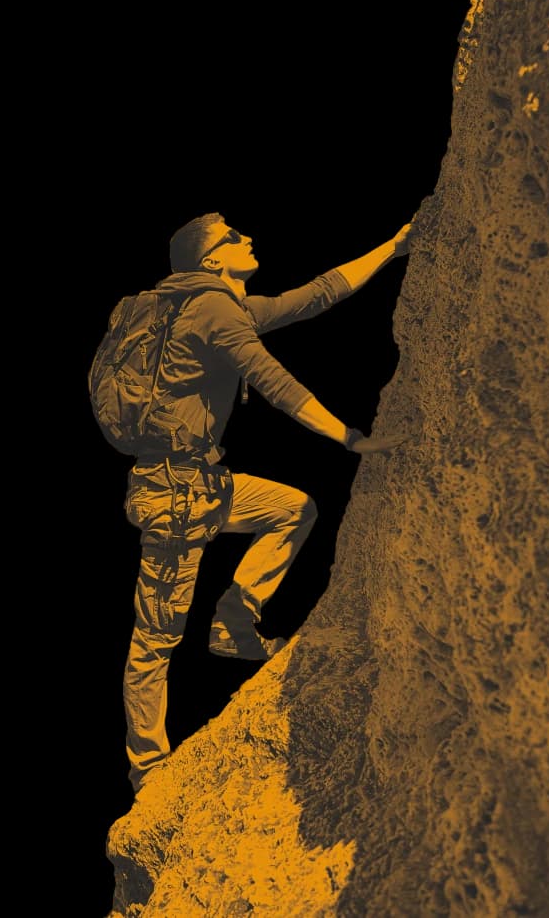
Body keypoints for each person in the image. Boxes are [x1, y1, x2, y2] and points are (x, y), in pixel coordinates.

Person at [119, 211, 411, 791]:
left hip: (199, 486)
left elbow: (314, 296)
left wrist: (393, 246)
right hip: (175, 500)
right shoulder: (212, 311)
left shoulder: (208, 307)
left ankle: (234, 620)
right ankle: (147, 768)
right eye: (232, 236)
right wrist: (351, 437)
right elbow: (274, 382)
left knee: (292, 509)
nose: (246, 237)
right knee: (154, 643)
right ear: (211, 261)